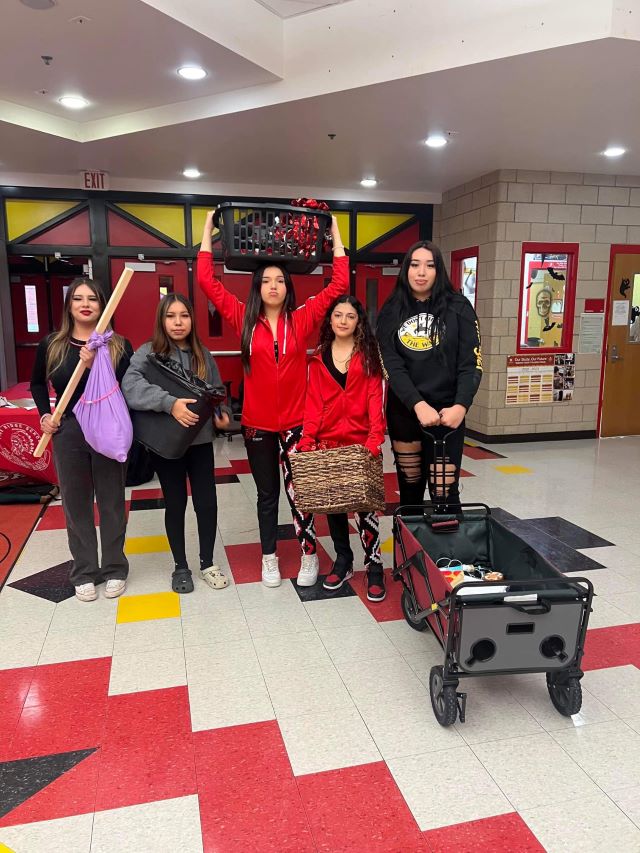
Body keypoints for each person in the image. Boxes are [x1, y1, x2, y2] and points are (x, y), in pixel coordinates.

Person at [197, 210, 348, 588]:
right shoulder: (243, 319)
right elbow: (206, 281)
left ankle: (308, 554)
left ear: (288, 286)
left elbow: (339, 284)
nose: (273, 286)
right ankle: (269, 557)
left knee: (300, 493)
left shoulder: (303, 318)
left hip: (298, 424)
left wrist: (335, 233)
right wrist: (207, 230)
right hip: (257, 426)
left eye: (280, 280)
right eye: (266, 280)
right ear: (257, 287)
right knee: (267, 495)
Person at [30, 278, 133, 602]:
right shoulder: (53, 344)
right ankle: (84, 571)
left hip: (106, 430)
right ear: (69, 305)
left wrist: (93, 363)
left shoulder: (118, 345)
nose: (85, 304)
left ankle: (115, 568)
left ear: (103, 306)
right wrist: (45, 414)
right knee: (75, 504)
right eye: (78, 298)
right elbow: (37, 384)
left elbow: (127, 389)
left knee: (112, 501)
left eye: (92, 299)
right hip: (69, 431)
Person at [122, 294, 230, 594]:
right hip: (167, 445)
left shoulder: (202, 354)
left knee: (207, 503)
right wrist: (169, 404)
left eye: (184, 315)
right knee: (176, 502)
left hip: (201, 442)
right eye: (171, 316)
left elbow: (217, 392)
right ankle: (180, 566)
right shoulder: (148, 353)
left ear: (192, 320)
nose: (178, 322)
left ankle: (208, 563)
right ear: (161, 320)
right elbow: (130, 386)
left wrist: (221, 414)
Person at [377, 241, 482, 511]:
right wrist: (418, 404)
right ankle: (409, 540)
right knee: (410, 488)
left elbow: (471, 363)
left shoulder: (459, 307)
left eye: (429, 265)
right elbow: (391, 365)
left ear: (439, 270)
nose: (421, 272)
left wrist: (461, 406)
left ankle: (449, 540)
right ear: (406, 269)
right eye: (415, 265)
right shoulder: (392, 310)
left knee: (444, 492)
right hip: (405, 413)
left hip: (448, 414)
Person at [298, 296, 387, 601]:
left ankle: (374, 564)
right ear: (330, 320)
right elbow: (313, 403)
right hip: (328, 443)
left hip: (362, 444)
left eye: (350, 316)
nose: (344, 321)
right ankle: (343, 560)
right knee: (334, 506)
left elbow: (376, 399)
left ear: (358, 321)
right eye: (338, 315)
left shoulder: (369, 355)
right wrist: (308, 439)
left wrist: (374, 439)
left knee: (365, 508)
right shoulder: (318, 358)